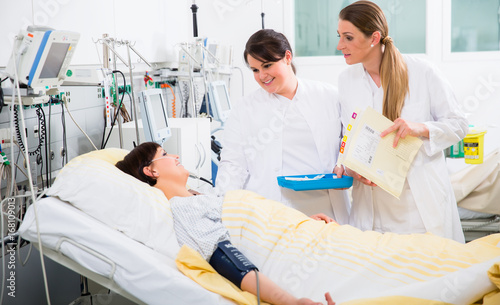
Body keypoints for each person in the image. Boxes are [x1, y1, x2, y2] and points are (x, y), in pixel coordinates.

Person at [115, 142, 335, 305]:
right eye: (164, 154)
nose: (175, 155)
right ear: (151, 171)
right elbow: (229, 260)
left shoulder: (201, 196)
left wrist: (302, 221)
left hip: (305, 231)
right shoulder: (184, 209)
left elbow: (254, 215)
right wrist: (292, 302)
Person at [336, 0, 468, 242]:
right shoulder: (346, 81)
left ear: (374, 38)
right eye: (339, 36)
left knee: (428, 271)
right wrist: (348, 166)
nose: (339, 45)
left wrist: (420, 128)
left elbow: (459, 124)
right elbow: (348, 135)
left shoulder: (422, 72)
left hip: (416, 205)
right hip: (371, 204)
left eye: (348, 38)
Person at [215, 29, 350, 224]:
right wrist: (221, 208)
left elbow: (350, 143)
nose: (262, 75)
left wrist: (345, 165)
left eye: (267, 65)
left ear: (288, 57)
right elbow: (233, 165)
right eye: (254, 70)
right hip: (272, 216)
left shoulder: (329, 97)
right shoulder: (244, 109)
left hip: (326, 210)